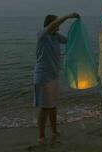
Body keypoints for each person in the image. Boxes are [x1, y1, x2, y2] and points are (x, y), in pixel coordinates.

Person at [33, 13, 80, 144]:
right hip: (43, 77)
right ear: (50, 24)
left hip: (54, 76)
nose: (58, 26)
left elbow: (70, 40)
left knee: (53, 106)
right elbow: (53, 25)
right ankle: (41, 136)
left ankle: (54, 131)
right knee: (44, 107)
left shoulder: (56, 37)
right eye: (56, 23)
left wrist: (78, 28)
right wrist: (69, 16)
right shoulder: (42, 35)